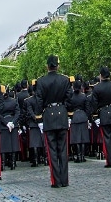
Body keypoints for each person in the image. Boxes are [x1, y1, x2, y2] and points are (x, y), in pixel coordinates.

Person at [34, 54, 73, 188]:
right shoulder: (65, 80)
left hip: (49, 116)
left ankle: (56, 181)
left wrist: (39, 117)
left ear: (47, 66)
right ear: (57, 66)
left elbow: (38, 101)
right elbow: (69, 98)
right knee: (63, 150)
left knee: (52, 151)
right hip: (61, 113)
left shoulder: (41, 81)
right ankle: (64, 180)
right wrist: (68, 115)